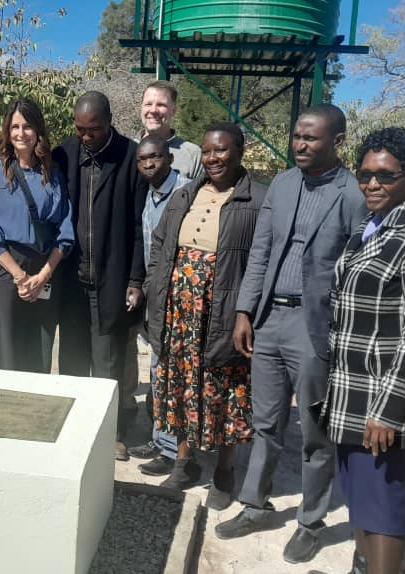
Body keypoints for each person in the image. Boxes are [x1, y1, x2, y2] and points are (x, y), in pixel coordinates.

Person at [215, 104, 367, 565]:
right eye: (297, 136)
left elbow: (358, 270)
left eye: (310, 138)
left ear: (337, 142)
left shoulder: (354, 195)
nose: (299, 144)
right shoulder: (282, 184)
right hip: (268, 320)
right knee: (265, 422)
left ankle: (310, 522)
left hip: (314, 325)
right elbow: (260, 251)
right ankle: (255, 505)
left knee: (316, 432)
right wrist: (245, 311)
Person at [320, 127, 405, 574]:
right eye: (364, 175)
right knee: (361, 494)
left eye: (385, 176)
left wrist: (389, 411)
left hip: (388, 399)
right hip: (353, 390)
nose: (372, 184)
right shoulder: (372, 225)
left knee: (385, 506)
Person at [145, 123, 267, 511]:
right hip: (179, 308)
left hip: (224, 310)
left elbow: (262, 260)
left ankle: (224, 472)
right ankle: (184, 462)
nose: (213, 158)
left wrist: (246, 310)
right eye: (208, 151)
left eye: (222, 150)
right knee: (181, 381)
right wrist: (153, 282)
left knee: (225, 388)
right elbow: (160, 242)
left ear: (240, 151)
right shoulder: (185, 194)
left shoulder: (258, 200)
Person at [53, 91, 147, 461]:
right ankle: (74, 432)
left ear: (109, 123)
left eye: (93, 129)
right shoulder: (65, 153)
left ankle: (113, 434)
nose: (86, 136)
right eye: (80, 129)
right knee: (73, 361)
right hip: (72, 281)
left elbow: (139, 227)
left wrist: (135, 280)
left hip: (112, 280)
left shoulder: (130, 157)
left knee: (109, 365)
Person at [126, 80, 204, 462]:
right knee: (154, 364)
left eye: (161, 104)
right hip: (144, 282)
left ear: (173, 110)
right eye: (148, 103)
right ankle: (158, 435)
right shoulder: (132, 152)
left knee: (170, 366)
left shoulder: (190, 162)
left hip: (176, 286)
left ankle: (174, 446)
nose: (154, 110)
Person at [0, 98, 74, 373]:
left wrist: (43, 276)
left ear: (38, 129)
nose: (21, 133)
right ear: (7, 131)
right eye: (15, 127)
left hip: (43, 268)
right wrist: (20, 277)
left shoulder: (52, 173)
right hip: (3, 269)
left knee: (37, 351)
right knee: (3, 353)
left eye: (27, 126)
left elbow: (65, 231)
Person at [128, 134, 193, 477]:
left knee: (169, 373)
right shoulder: (148, 194)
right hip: (153, 296)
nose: (148, 164)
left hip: (178, 298)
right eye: (142, 159)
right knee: (156, 371)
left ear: (169, 157)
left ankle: (172, 450)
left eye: (154, 157)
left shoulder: (187, 192)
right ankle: (160, 439)